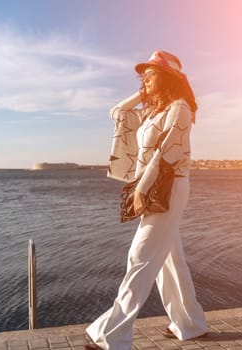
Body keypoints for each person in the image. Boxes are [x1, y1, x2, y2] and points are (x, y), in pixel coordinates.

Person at [85, 50, 208, 350]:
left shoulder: (179, 109)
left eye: (151, 75)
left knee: (139, 257)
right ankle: (190, 323)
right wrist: (142, 92)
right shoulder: (152, 111)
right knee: (170, 261)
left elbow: (169, 153)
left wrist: (141, 189)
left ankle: (112, 336)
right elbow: (116, 112)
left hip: (169, 187)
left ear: (167, 78)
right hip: (154, 187)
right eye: (143, 77)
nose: (145, 80)